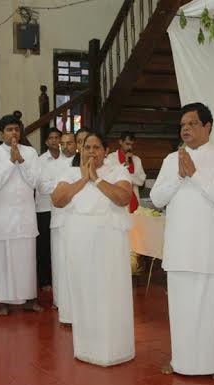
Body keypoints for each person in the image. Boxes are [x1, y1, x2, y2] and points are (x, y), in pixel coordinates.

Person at [149, 102, 214, 378]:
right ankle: (181, 362)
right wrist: (179, 175)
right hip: (179, 249)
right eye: (183, 125)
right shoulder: (170, 160)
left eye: (192, 124)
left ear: (207, 126)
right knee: (181, 310)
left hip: (207, 248)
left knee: (210, 311)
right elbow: (157, 199)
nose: (185, 129)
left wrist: (195, 176)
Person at [51, 133, 135, 366]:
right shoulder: (69, 172)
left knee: (109, 293)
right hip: (79, 241)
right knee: (84, 291)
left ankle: (115, 350)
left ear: (105, 151)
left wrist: (96, 179)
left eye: (96, 147)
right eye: (86, 147)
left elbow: (123, 198)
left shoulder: (118, 171)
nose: (90, 152)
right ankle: (88, 348)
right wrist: (83, 179)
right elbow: (57, 200)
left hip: (109, 243)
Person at [0, 114, 42, 315]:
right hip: (2, 216)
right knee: (3, 259)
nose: (14, 133)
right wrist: (11, 161)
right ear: (2, 133)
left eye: (16, 129)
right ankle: (3, 302)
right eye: (9, 130)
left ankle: (28, 299)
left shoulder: (31, 153)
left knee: (26, 259)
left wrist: (21, 161)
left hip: (25, 216)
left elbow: (35, 181)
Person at [44, 131, 77, 323]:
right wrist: (61, 187)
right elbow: (43, 187)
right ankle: (59, 300)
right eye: (63, 143)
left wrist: (62, 187)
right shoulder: (51, 165)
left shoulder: (81, 162)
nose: (65, 146)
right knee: (58, 261)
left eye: (69, 143)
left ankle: (76, 300)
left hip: (76, 217)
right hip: (58, 217)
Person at [35, 128, 62, 294]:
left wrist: (58, 185)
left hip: (62, 207)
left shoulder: (66, 159)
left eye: (56, 137)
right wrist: (62, 186)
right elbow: (42, 187)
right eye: (50, 138)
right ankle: (45, 280)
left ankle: (59, 278)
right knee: (44, 247)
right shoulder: (40, 161)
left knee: (59, 245)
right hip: (44, 208)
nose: (54, 140)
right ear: (46, 142)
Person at [106, 132, 147, 214]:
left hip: (134, 198)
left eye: (132, 145)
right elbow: (111, 179)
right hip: (117, 198)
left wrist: (124, 175)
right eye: (127, 144)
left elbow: (141, 181)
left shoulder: (137, 160)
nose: (130, 147)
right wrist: (126, 165)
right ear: (120, 142)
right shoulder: (111, 158)